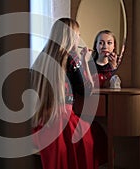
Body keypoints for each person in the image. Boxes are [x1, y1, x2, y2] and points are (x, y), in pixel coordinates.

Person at [31, 18, 107, 169]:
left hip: (42, 120)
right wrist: (85, 62)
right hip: (62, 119)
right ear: (70, 37)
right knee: (96, 133)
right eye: (77, 35)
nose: (79, 38)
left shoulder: (42, 58)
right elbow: (86, 91)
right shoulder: (71, 60)